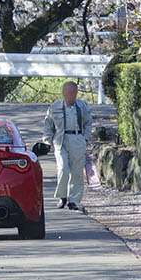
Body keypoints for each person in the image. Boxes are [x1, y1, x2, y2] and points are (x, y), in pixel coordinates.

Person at [43, 80, 91, 210]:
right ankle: (62, 196)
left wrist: (85, 138)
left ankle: (73, 200)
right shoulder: (54, 107)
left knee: (77, 171)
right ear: (63, 93)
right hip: (61, 140)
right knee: (63, 168)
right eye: (68, 92)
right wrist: (47, 141)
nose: (71, 95)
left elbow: (88, 123)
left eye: (74, 92)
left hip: (77, 139)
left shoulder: (82, 106)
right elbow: (48, 125)